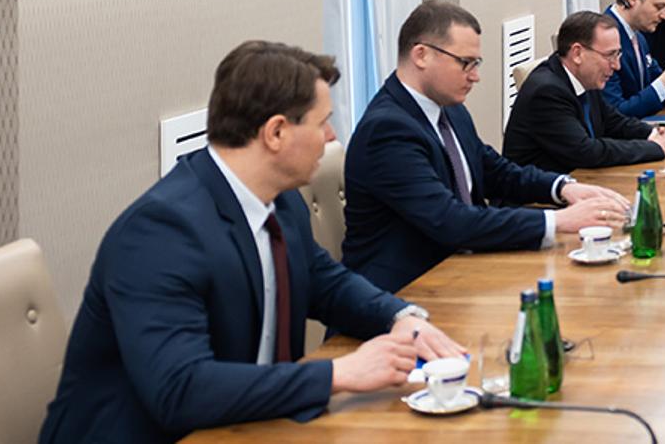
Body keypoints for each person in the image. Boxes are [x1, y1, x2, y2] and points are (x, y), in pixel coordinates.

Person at [40, 42, 463, 442]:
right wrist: (337, 374)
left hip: (250, 424)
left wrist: (400, 317)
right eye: (322, 123)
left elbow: (325, 282)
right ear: (276, 133)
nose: (332, 137)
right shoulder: (162, 232)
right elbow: (180, 390)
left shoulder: (280, 202)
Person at [343, 1, 631, 292]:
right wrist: (557, 221)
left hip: (462, 269)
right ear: (422, 55)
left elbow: (494, 170)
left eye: (476, 64)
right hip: (406, 291)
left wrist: (563, 187)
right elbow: (450, 220)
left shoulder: (449, 109)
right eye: (465, 63)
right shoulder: (388, 129)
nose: (475, 76)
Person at [504, 10, 665, 172]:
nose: (617, 65)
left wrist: (657, 134)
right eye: (610, 55)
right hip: (538, 203)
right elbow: (586, 152)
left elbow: (614, 122)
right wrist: (656, 147)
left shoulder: (585, 77)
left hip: (581, 183)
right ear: (577, 53)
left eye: (617, 54)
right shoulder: (547, 91)